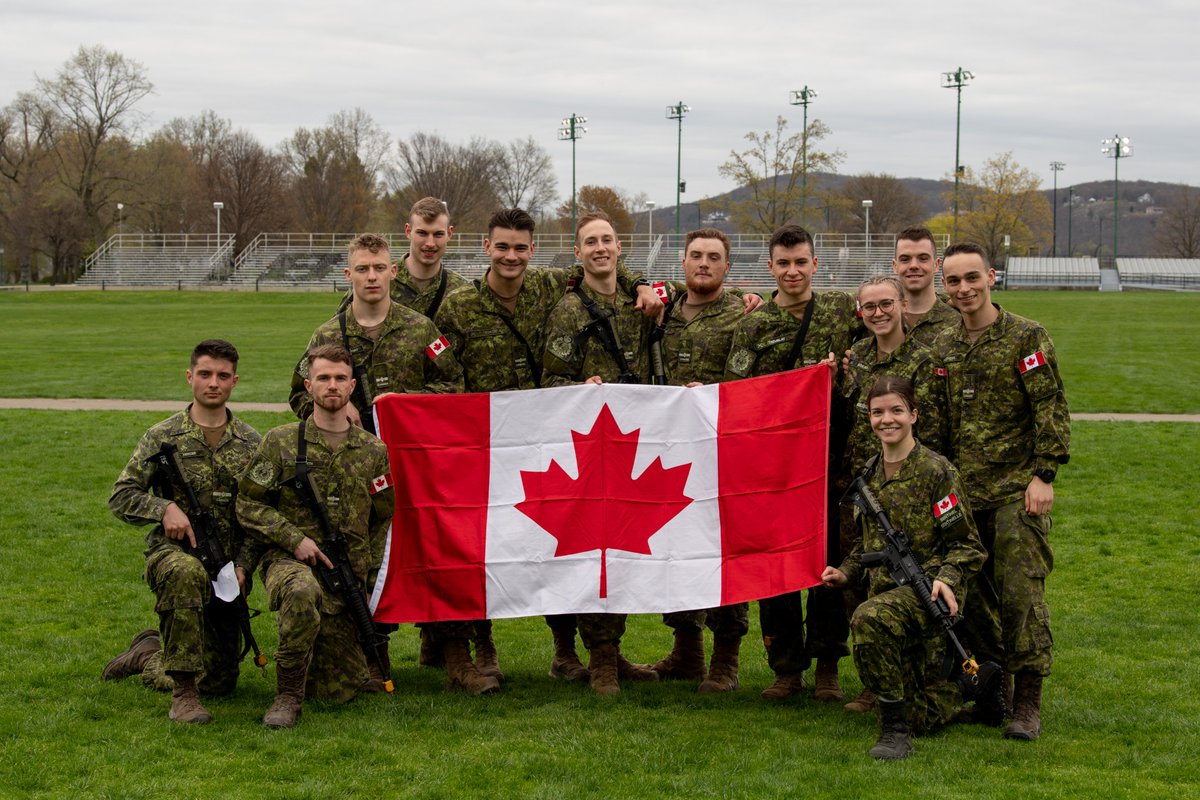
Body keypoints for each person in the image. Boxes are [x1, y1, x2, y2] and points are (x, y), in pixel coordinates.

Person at [435, 207, 665, 686]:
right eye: (502, 246)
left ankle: (568, 652)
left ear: (532, 251)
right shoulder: (459, 307)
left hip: (550, 440)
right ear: (486, 248)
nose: (511, 256)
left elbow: (605, 265)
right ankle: (481, 648)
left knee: (567, 544)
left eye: (520, 247)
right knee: (480, 547)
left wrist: (643, 283)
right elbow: (443, 378)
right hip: (486, 448)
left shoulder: (547, 285)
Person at [932, 242, 1070, 740]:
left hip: (1015, 492)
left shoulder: (1025, 336)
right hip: (963, 499)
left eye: (972, 278)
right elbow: (941, 424)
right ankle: (994, 693)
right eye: (953, 281)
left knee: (1020, 596)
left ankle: (1027, 704)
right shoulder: (945, 346)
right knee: (968, 600)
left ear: (991, 276)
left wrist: (1044, 475)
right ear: (944, 287)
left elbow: (1050, 409)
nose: (964, 288)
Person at [724, 224, 862, 702]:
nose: (792, 271)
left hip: (834, 463)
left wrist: (841, 374)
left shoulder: (843, 310)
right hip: (775, 471)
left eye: (801, 262)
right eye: (783, 263)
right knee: (777, 568)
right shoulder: (754, 325)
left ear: (815, 265)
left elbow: (887, 341)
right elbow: (737, 396)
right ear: (769, 268)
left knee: (830, 566)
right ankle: (786, 666)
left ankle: (827, 665)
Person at [820, 376, 988, 760]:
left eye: (896, 410)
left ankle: (894, 733)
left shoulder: (935, 471)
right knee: (921, 714)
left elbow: (967, 544)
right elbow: (866, 544)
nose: (887, 420)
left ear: (913, 414)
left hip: (929, 592)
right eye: (878, 412)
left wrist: (946, 578)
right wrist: (845, 572)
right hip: (887, 592)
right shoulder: (870, 474)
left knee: (867, 619)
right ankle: (963, 689)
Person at [237, 344, 394, 728]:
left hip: (344, 579)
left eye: (341, 378)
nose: (332, 385)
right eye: (323, 378)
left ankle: (319, 670)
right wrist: (293, 540)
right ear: (308, 386)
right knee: (301, 590)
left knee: (338, 690)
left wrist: (368, 577)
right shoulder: (281, 442)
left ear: (353, 386)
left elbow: (382, 517)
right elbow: (247, 504)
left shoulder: (374, 451)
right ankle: (286, 697)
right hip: (290, 563)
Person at [105, 339, 262, 724]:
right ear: (190, 377)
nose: (213, 383)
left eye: (222, 376)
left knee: (221, 680)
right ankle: (184, 697)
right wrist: (163, 508)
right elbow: (121, 496)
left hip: (225, 567)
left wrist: (243, 566)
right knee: (184, 572)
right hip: (173, 556)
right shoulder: (162, 436)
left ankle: (148, 652)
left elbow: (261, 515)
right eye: (205, 374)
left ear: (234, 381)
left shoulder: (252, 443)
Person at [541, 210, 662, 695]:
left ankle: (612, 651)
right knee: (591, 549)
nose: (600, 248)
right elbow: (549, 379)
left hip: (634, 439)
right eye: (590, 242)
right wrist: (578, 386)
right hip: (588, 445)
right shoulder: (569, 311)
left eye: (607, 240)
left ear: (618, 247)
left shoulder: (644, 300)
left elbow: (705, 285)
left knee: (626, 547)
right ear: (578, 253)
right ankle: (600, 658)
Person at [836, 274, 952, 713]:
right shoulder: (858, 357)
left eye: (887, 304)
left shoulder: (923, 360)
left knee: (908, 582)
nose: (879, 313)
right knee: (862, 584)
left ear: (903, 304)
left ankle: (914, 677)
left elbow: (935, 430)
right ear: (860, 313)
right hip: (864, 489)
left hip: (909, 488)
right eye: (869, 307)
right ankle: (874, 682)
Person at [646, 228, 750, 693]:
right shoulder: (659, 315)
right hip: (669, 455)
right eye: (695, 256)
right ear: (682, 263)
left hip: (722, 453)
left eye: (713, 257)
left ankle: (726, 656)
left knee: (725, 551)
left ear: (727, 267)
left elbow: (748, 385)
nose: (703, 263)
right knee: (676, 549)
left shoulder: (744, 317)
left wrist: (710, 398)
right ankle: (687, 649)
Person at [289, 232, 464, 428]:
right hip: (352, 451)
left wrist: (405, 403)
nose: (372, 277)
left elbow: (453, 384)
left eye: (379, 268)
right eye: (362, 269)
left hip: (409, 446)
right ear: (348, 275)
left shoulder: (422, 329)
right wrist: (334, 407)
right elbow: (299, 392)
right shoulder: (327, 335)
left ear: (393, 271)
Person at [336, 196, 470, 320]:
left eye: (438, 234)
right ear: (408, 231)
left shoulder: (462, 291)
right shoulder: (379, 279)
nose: (430, 243)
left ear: (449, 233)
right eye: (422, 233)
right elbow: (339, 332)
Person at [891, 226, 960, 346]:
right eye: (905, 259)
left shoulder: (959, 322)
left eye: (923, 258)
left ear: (937, 265)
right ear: (895, 266)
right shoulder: (877, 318)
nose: (913, 266)